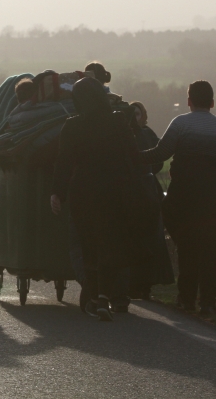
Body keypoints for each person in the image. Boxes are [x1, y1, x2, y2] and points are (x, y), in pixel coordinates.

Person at [139, 80, 216, 316]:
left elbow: (160, 153)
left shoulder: (181, 124)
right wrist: (215, 187)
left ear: (189, 101)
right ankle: (208, 302)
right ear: (212, 102)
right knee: (211, 252)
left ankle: (186, 299)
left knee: (187, 248)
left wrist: (131, 156)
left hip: (185, 201)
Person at [51, 77, 152, 321]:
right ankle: (105, 295)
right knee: (110, 241)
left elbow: (63, 162)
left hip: (83, 191)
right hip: (116, 190)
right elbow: (133, 156)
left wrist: (57, 192)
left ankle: (94, 296)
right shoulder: (118, 121)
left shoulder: (72, 125)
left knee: (88, 243)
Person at [127, 101, 175, 300]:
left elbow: (158, 162)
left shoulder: (147, 134)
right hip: (131, 189)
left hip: (147, 189)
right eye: (132, 114)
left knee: (150, 237)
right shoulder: (124, 135)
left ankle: (146, 283)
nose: (135, 117)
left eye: (138, 114)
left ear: (143, 115)